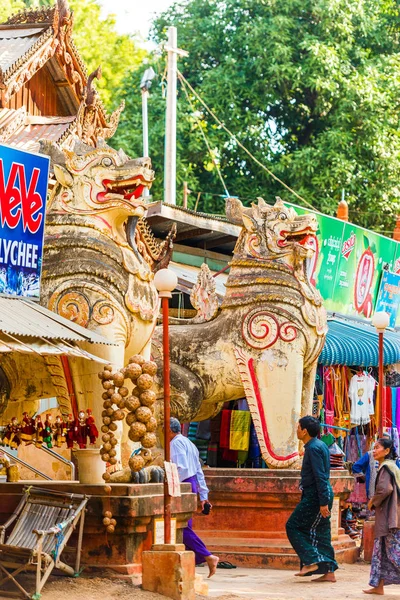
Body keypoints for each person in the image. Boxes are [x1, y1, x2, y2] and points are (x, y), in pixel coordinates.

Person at [286, 415, 338, 582]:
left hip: (316, 495)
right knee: (322, 532)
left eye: (298, 427)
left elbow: (320, 476)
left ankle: (310, 561)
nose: (297, 431)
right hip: (319, 493)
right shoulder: (318, 445)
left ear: (305, 431)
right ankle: (329, 571)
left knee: (293, 526)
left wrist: (322, 502)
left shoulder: (313, 448)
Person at [169, 417, 219, 578]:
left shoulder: (176, 443)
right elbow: (199, 471)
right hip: (191, 484)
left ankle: (207, 555)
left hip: (182, 484)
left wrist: (170, 482)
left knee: (181, 526)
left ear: (169, 430)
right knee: (182, 525)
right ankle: (194, 561)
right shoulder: (190, 443)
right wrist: (203, 495)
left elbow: (182, 468)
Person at [363, 438, 400, 595]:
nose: (374, 451)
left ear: (386, 451)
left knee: (394, 552)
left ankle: (378, 585)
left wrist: (373, 501)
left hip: (389, 517)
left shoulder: (386, 467)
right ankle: (378, 586)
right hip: (390, 515)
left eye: (377, 448)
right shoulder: (391, 467)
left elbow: (385, 489)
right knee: (381, 552)